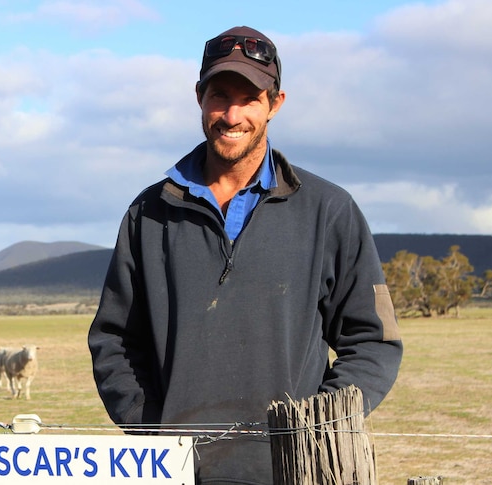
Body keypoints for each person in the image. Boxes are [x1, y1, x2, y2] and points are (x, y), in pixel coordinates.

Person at [88, 25, 403, 484]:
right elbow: (114, 340)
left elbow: (373, 341)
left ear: (275, 103)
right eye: (220, 95)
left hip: (296, 470)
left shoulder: (329, 211)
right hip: (176, 472)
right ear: (199, 97)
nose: (232, 114)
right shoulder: (149, 214)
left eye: (249, 98)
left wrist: (315, 427)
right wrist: (156, 431)